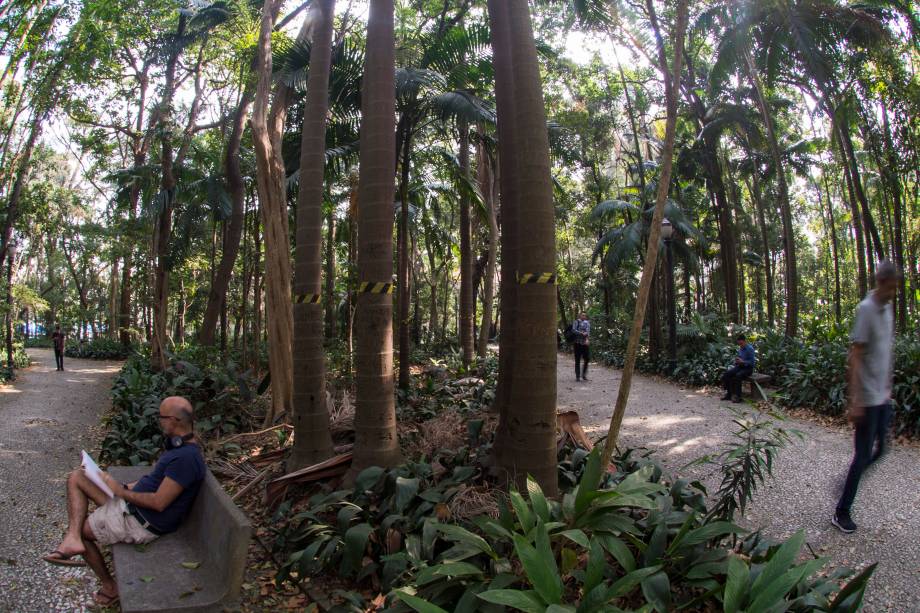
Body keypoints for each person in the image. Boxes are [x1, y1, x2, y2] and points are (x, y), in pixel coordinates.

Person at [42, 396, 206, 607]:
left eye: (162, 417)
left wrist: (120, 491)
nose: (159, 421)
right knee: (77, 477)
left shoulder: (185, 459)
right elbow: (156, 480)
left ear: (174, 420)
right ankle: (71, 537)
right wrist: (125, 487)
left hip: (140, 520)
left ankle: (110, 587)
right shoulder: (179, 448)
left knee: (84, 532)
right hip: (132, 505)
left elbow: (159, 503)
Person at [832, 261, 899, 534]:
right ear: (881, 282)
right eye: (892, 286)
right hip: (867, 399)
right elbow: (855, 357)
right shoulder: (866, 309)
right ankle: (841, 511)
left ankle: (849, 481)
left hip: (882, 397)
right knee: (861, 456)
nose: (894, 292)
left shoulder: (887, 309)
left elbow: (884, 351)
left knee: (881, 449)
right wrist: (854, 400)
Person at [721, 334, 755, 403]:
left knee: (738, 376)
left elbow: (752, 363)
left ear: (745, 341)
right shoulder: (740, 348)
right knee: (727, 374)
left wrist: (743, 362)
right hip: (740, 366)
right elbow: (739, 357)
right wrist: (737, 361)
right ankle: (729, 394)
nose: (740, 345)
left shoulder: (750, 349)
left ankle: (738, 397)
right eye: (739, 344)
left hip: (748, 369)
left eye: (741, 344)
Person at [573, 312, 591, 382]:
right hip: (577, 343)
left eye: (585, 315)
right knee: (577, 360)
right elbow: (573, 330)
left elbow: (588, 332)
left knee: (587, 359)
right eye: (582, 315)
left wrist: (586, 336)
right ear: (580, 316)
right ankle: (577, 376)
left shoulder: (587, 323)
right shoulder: (576, 322)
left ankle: (584, 375)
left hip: (584, 344)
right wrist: (581, 333)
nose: (584, 316)